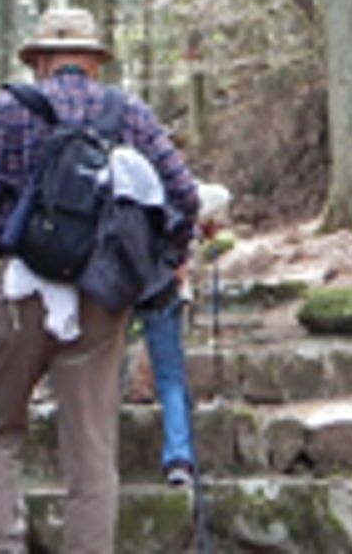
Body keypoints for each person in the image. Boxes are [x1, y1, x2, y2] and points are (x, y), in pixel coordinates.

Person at [0, 6, 200, 554]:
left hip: (20, 286)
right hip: (101, 292)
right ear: (93, 62)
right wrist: (161, 259)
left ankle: (1, 545)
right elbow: (183, 193)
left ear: (40, 60)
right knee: (91, 453)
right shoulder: (129, 112)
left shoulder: (9, 107)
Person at [135, 180, 230, 487]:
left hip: (115, 280)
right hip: (164, 287)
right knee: (171, 378)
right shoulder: (178, 193)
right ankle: (178, 458)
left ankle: (95, 460)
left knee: (102, 376)